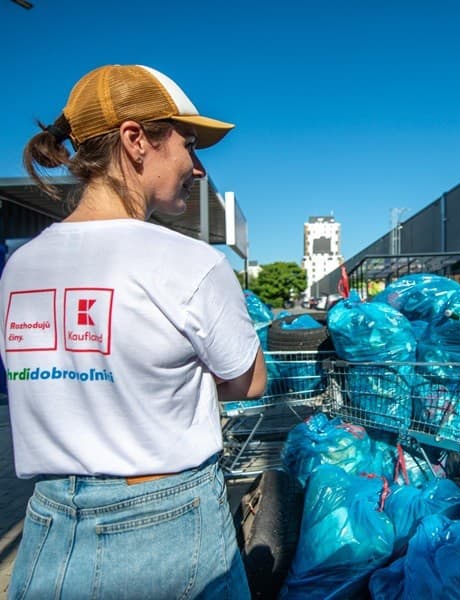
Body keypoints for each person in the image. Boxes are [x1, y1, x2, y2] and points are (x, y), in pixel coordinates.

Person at [1, 64, 266, 598]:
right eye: (189, 145)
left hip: (47, 523)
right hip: (168, 521)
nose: (197, 168)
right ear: (135, 139)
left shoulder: (21, 266)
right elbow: (249, 380)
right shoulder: (191, 262)